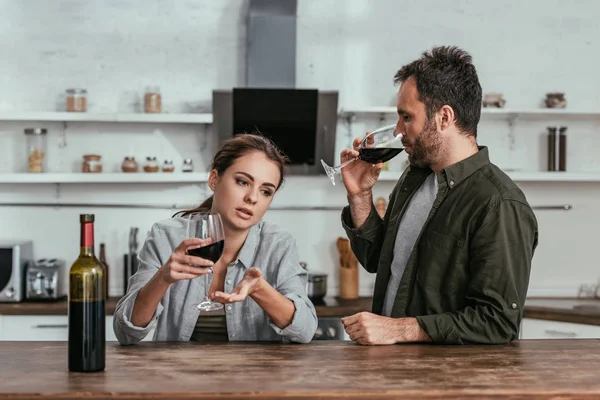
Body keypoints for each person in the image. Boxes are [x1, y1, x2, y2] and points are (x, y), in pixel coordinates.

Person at [339, 46, 539, 345]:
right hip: (394, 372)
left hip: (450, 382)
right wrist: (360, 196)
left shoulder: (499, 203)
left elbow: (498, 322)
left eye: (406, 117)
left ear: (444, 117)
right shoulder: (414, 177)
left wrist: (400, 329)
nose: (398, 131)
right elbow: (379, 261)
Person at [114, 133, 317, 344]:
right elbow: (126, 333)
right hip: (177, 374)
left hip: (255, 375)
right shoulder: (166, 235)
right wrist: (162, 278)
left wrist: (260, 289)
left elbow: (305, 331)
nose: (252, 198)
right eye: (242, 181)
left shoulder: (278, 244)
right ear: (214, 180)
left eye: (266, 191)